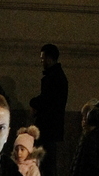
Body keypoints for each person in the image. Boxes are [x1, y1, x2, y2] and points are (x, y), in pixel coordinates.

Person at [33, 44, 70, 176]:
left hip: (48, 127)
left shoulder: (53, 77)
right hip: (51, 128)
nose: (41, 61)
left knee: (47, 163)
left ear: (49, 59)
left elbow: (47, 100)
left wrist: (34, 103)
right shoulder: (57, 76)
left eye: (42, 58)